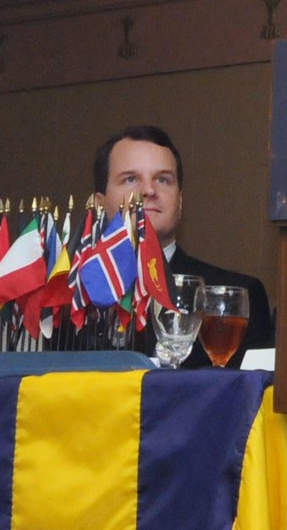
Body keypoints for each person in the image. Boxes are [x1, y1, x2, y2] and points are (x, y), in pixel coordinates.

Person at [93, 125, 275, 367]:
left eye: (163, 179)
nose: (148, 190)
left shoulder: (239, 297)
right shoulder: (69, 295)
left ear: (180, 201)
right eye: (130, 178)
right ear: (99, 204)